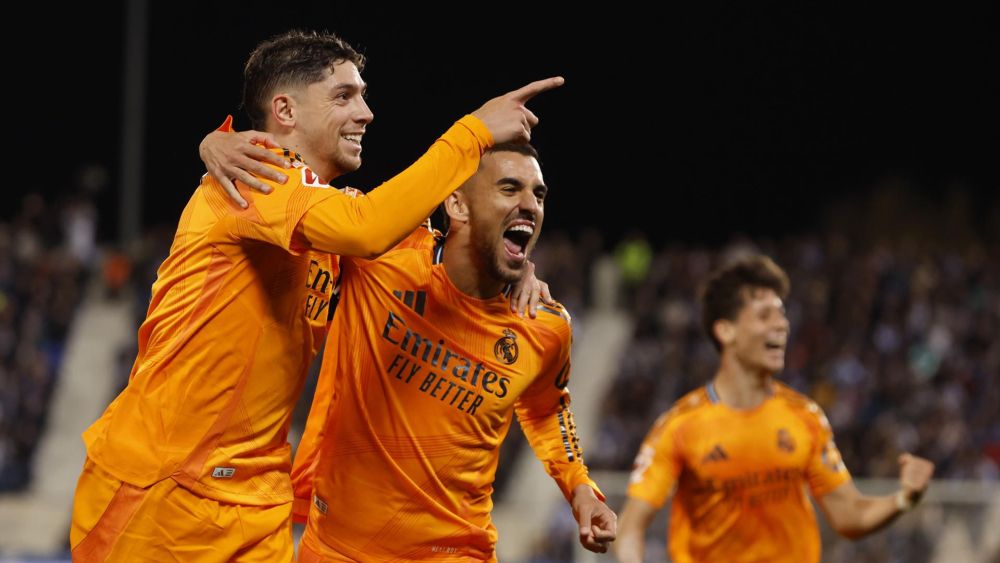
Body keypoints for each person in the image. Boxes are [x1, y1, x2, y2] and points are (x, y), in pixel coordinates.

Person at [71, 29, 563, 562]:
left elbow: (429, 243)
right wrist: (471, 133)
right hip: (161, 491)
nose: (367, 112)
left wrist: (513, 261)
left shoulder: (320, 212)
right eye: (344, 95)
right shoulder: (251, 180)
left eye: (363, 95)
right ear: (284, 109)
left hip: (256, 504)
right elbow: (369, 227)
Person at [289, 142, 617, 561]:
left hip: (458, 553)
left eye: (538, 194)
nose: (530, 205)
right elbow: (295, 198)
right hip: (339, 548)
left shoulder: (546, 326)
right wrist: (221, 144)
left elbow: (546, 408)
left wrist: (580, 489)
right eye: (509, 188)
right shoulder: (382, 254)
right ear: (457, 205)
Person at [614, 255, 935, 563]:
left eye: (782, 315)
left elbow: (849, 514)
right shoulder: (680, 425)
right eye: (765, 315)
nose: (782, 325)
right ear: (725, 331)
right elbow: (631, 526)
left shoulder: (804, 416)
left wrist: (904, 498)